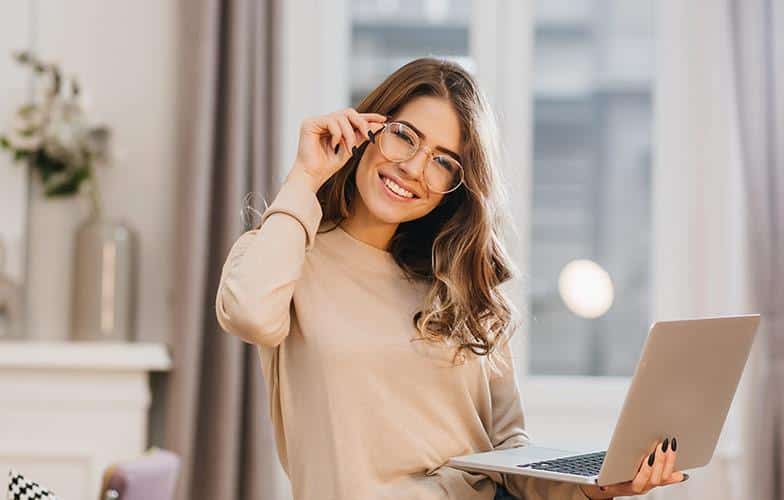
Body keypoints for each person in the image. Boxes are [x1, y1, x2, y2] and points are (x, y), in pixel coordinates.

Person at [215, 57, 685, 499]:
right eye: (405, 137)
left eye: (443, 161)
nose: (414, 169)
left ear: (456, 189)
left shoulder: (461, 285)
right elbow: (250, 315)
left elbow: (508, 454)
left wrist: (596, 486)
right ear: (367, 129)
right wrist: (305, 176)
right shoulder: (288, 252)